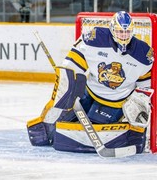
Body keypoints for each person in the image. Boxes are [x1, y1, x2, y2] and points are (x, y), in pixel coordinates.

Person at [27, 11, 154, 154]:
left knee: (94, 126)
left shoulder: (143, 55)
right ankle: (44, 132)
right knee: (63, 117)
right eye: (119, 31)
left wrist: (139, 101)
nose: (123, 35)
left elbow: (145, 87)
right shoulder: (95, 38)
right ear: (112, 29)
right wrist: (68, 80)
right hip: (89, 92)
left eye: (127, 31)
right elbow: (73, 62)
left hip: (114, 102)